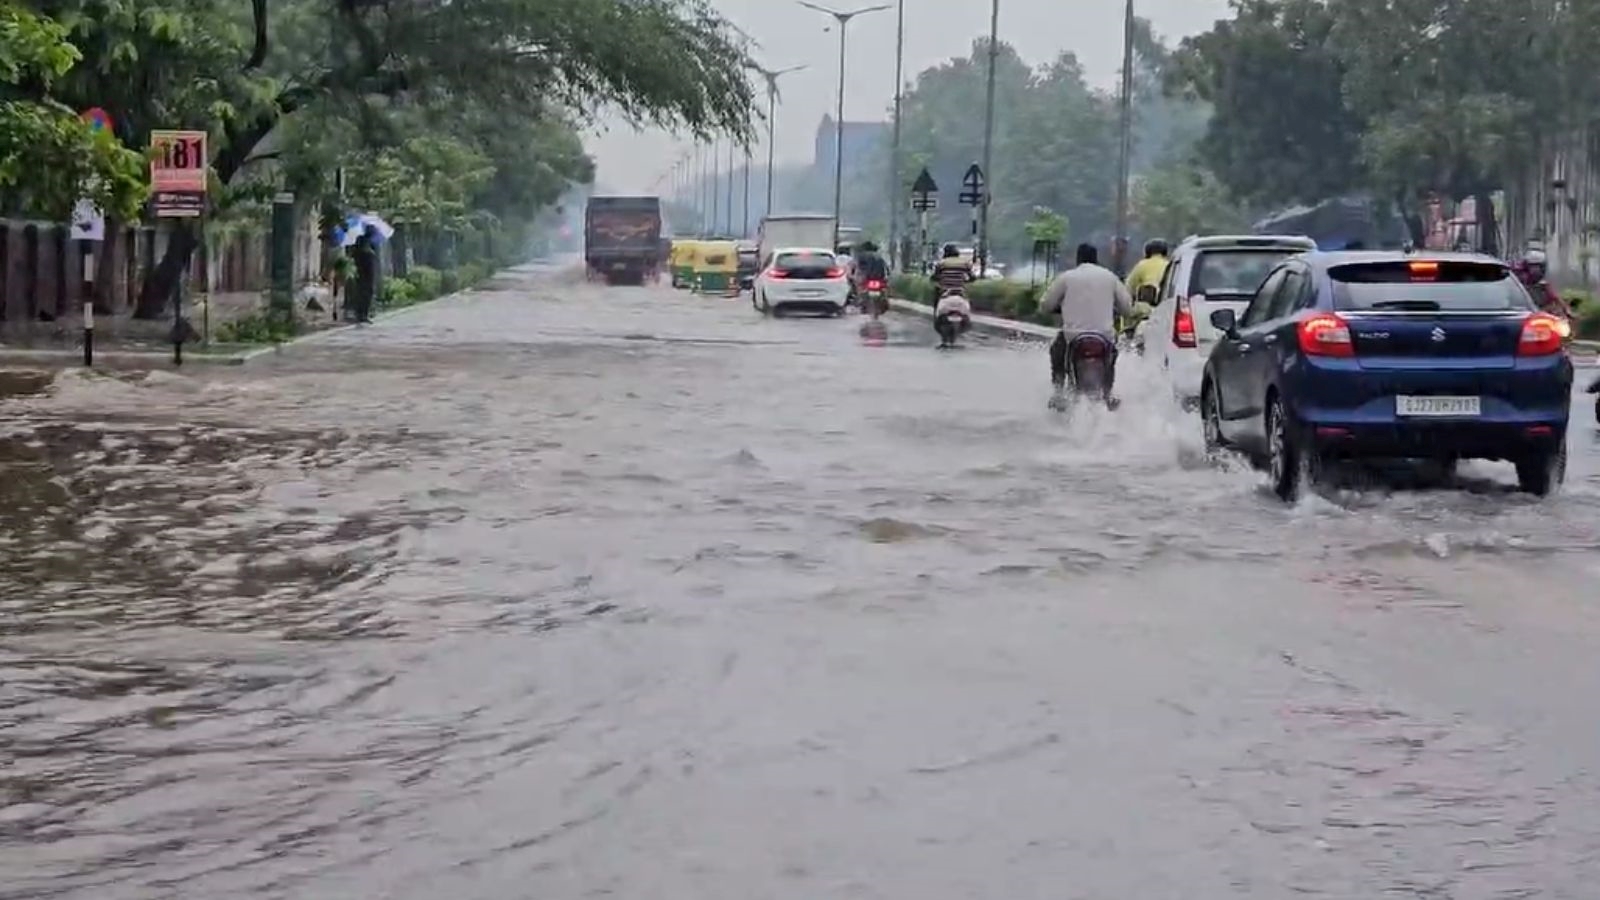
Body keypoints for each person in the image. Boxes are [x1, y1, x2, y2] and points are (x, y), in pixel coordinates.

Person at [1039, 242, 1134, 404]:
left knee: (1057, 352)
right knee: (1112, 355)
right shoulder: (1110, 278)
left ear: (1078, 258)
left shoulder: (1067, 277)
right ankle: (1108, 393)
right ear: (1096, 259)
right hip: (1104, 336)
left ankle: (1058, 392)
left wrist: (1057, 308)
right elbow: (1127, 308)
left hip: (1072, 338)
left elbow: (1045, 305)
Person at [1513, 249, 1574, 321]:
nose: (1536, 270)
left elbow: (1555, 298)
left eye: (1538, 267)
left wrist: (1566, 310)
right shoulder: (1518, 285)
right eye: (1533, 267)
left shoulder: (1544, 286)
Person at [1124, 238, 1170, 308]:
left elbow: (1129, 286)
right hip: (1165, 306)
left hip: (1146, 308)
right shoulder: (1169, 265)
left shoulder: (1142, 265)